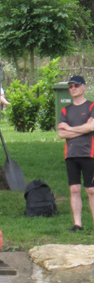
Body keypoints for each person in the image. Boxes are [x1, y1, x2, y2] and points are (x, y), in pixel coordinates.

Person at [57, 75, 94, 231]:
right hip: (71, 154)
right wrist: (81, 129)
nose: (73, 88)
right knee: (74, 189)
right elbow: (61, 134)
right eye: (70, 86)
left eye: (76, 86)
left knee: (91, 190)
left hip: (89, 153)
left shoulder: (91, 106)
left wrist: (70, 129)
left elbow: (91, 127)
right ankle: (77, 224)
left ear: (84, 87)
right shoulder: (65, 110)